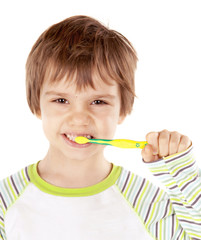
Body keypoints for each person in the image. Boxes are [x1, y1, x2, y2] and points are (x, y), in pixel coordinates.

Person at [0, 15, 200, 240]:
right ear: (36, 104)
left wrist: (180, 170)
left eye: (98, 102)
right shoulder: (6, 200)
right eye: (61, 100)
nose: (79, 119)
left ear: (123, 110)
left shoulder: (144, 201)